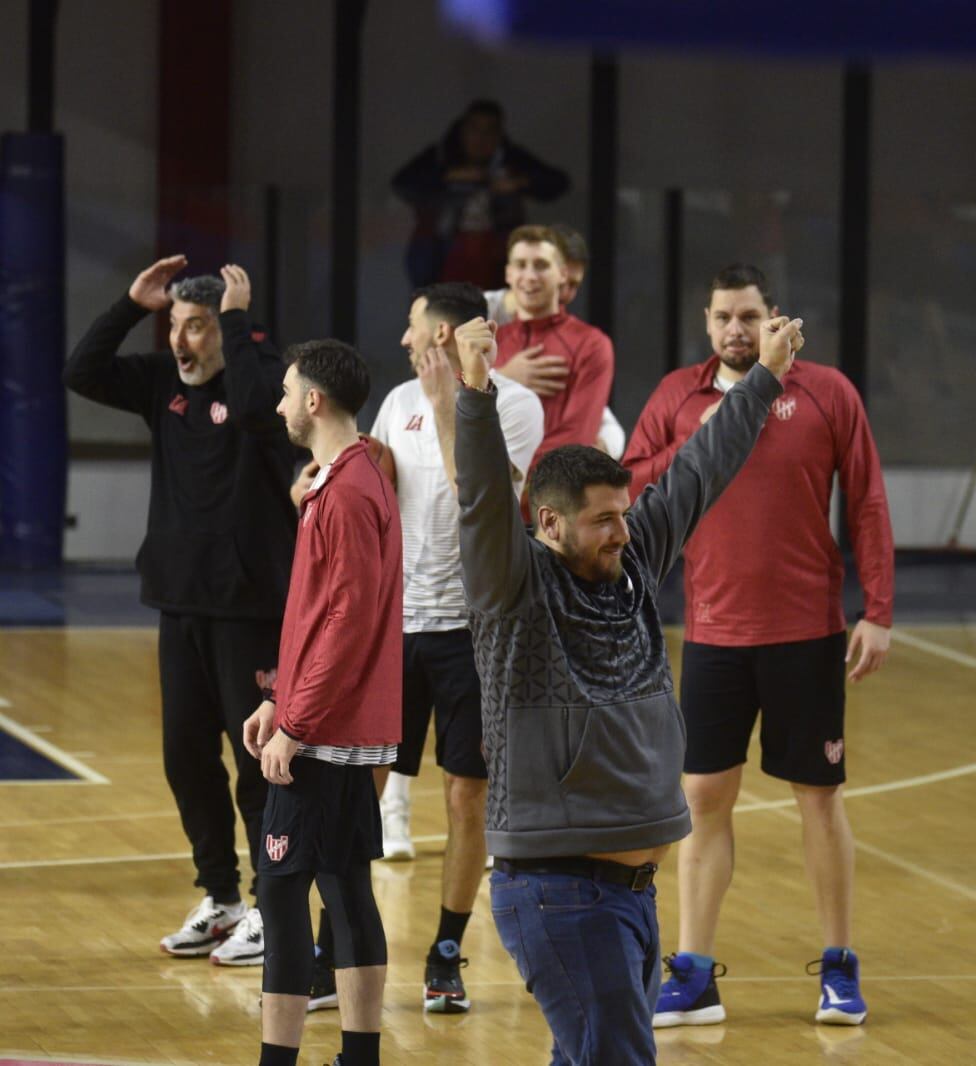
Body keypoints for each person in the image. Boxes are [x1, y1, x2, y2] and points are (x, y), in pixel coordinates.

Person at [452, 309, 805, 1064]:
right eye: (602, 521)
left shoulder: (633, 560)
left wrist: (764, 376)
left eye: (622, 514)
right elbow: (483, 503)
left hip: (630, 892)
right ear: (548, 523)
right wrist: (475, 396)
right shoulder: (512, 590)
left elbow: (699, 469)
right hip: (561, 891)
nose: (622, 531)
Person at [623, 264, 894, 1029]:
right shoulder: (679, 397)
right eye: (721, 318)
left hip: (808, 631)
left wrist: (877, 608)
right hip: (713, 633)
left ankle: (838, 966)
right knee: (702, 799)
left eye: (748, 316)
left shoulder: (827, 392)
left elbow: (867, 497)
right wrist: (701, 438)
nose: (734, 330)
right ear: (706, 325)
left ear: (775, 318)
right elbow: (633, 477)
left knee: (820, 798)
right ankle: (695, 972)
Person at [62, 258, 296, 966]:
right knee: (184, 757)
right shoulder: (163, 382)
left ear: (228, 330)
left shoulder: (265, 379)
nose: (181, 342)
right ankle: (222, 897)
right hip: (179, 601)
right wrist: (131, 306)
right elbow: (82, 370)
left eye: (196, 328)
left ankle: (270, 906)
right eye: (175, 327)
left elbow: (259, 411)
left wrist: (235, 324)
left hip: (250, 607)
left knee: (256, 764)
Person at [344, 282, 541, 1015]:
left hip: (474, 632)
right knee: (357, 784)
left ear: (447, 336)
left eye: (412, 327)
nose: (402, 340)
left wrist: (445, 406)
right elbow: (380, 487)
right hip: (396, 626)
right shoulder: (396, 401)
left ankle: (447, 949)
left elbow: (480, 501)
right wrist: (340, 465)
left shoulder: (516, 407)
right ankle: (343, 933)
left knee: (467, 795)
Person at [244, 339, 402, 1066]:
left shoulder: (343, 493)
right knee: (345, 888)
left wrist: (295, 724)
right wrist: (279, 697)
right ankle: (358, 1058)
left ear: (314, 400)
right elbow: (322, 611)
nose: (278, 404)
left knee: (281, 894)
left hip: (326, 733)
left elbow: (346, 617)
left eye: (285, 391)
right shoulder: (348, 478)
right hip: (340, 725)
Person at [392, 99, 570, 290]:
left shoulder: (509, 158)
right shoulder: (441, 156)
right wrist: (449, 176)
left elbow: (557, 183)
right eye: (474, 129)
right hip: (441, 256)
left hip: (496, 258)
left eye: (490, 131)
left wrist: (519, 182)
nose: (481, 138)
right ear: (462, 131)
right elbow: (402, 184)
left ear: (499, 135)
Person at [483, 224, 624, 458]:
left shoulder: (591, 344)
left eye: (541, 265)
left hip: (547, 490)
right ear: (508, 273)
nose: (529, 276)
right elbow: (454, 392)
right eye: (520, 265)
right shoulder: (485, 334)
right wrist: (500, 377)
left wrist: (508, 476)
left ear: (562, 273)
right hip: (487, 488)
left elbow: (579, 435)